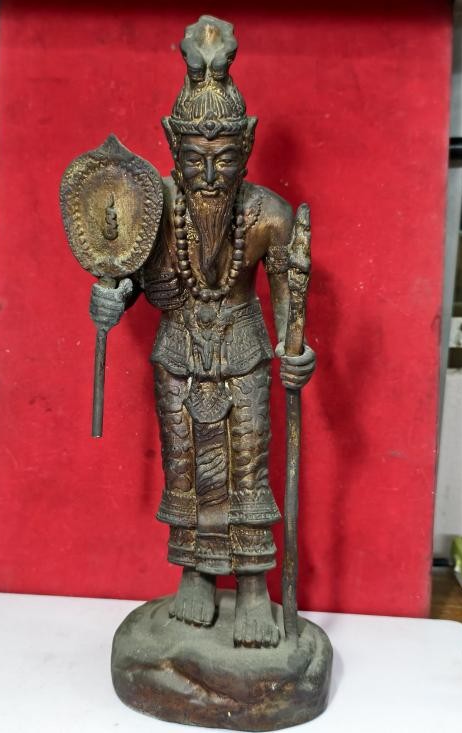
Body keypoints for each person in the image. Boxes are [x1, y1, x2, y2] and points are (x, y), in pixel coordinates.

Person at [89, 16, 315, 648]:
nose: (210, 175)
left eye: (224, 160)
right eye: (194, 160)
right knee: (186, 466)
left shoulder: (268, 214)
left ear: (247, 145)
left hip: (243, 348)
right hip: (179, 350)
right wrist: (111, 299)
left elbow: (291, 308)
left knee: (248, 463)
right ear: (171, 144)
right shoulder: (157, 205)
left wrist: (298, 354)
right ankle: (195, 573)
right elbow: (127, 272)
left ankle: (252, 586)